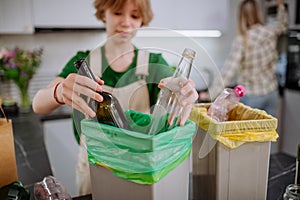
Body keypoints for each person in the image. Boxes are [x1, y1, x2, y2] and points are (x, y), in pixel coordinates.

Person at [32, 0, 198, 196]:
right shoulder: (86, 62)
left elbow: (172, 96)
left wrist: (182, 92)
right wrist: (58, 92)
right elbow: (38, 104)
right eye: (118, 13)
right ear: (104, 14)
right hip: (96, 165)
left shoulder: (152, 63)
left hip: (139, 168)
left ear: (142, 20)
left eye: (135, 16)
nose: (126, 22)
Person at [199, 0, 288, 117]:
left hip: (251, 97)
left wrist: (210, 94)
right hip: (271, 93)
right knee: (268, 133)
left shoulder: (242, 40)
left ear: (241, 16)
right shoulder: (269, 31)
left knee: (248, 134)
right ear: (258, 13)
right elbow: (283, 24)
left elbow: (228, 72)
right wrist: (280, 5)